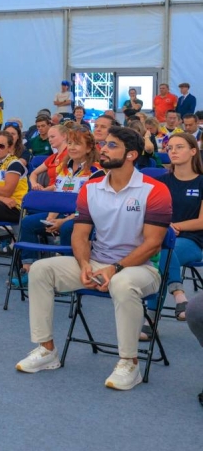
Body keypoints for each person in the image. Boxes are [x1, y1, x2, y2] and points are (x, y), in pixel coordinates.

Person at [15, 126, 171, 391]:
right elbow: (80, 234)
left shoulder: (154, 190)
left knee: (123, 284)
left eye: (112, 146)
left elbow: (153, 244)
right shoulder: (92, 187)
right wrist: (85, 264)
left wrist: (116, 268)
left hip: (141, 268)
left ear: (132, 154)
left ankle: (129, 363)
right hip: (98, 262)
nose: (104, 149)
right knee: (41, 270)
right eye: (105, 144)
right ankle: (47, 350)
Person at [15, 129, 101, 283]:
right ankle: (29, 269)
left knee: (69, 228)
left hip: (84, 219)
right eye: (70, 143)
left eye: (77, 144)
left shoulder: (96, 172)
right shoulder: (63, 168)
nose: (72, 147)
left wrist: (62, 222)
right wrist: (51, 217)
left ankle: (68, 275)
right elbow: (59, 198)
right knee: (28, 223)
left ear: (88, 148)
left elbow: (90, 207)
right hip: (62, 215)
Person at [154, 133, 203, 322]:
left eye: (179, 147)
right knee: (162, 253)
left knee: (163, 253)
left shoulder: (201, 182)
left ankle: (150, 319)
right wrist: (166, 229)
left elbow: (201, 221)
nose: (173, 151)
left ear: (193, 151)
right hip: (162, 239)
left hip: (194, 241)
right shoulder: (161, 183)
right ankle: (179, 295)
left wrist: (173, 226)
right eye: (170, 148)